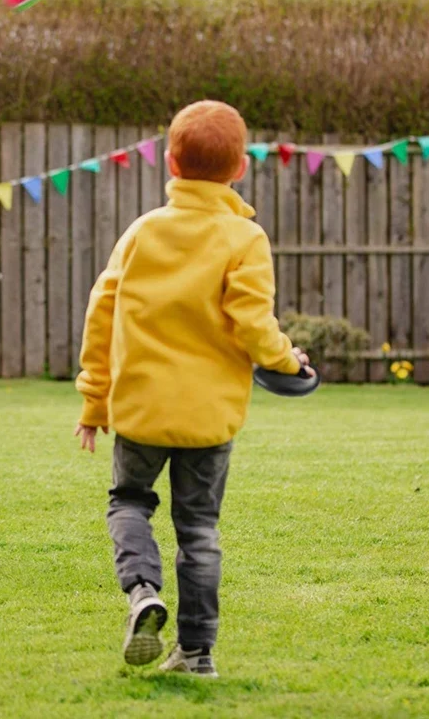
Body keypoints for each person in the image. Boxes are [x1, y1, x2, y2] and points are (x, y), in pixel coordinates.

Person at [74, 101, 312, 676]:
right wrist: (289, 360)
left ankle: (142, 594)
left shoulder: (143, 232)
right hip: (209, 417)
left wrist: (94, 400)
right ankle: (197, 653)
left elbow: (100, 316)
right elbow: (254, 322)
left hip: (140, 410)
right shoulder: (244, 237)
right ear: (239, 170)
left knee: (129, 502)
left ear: (172, 162)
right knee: (199, 528)